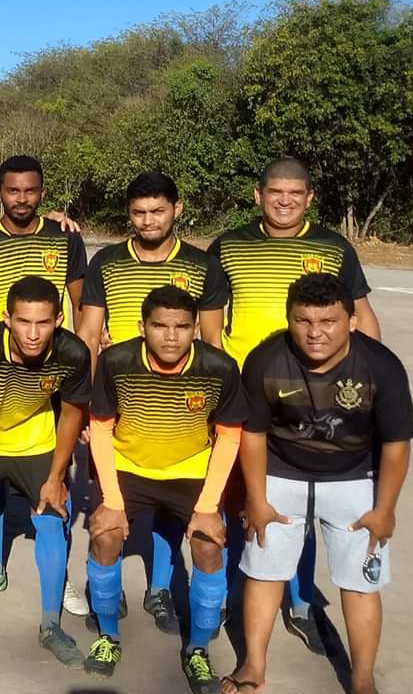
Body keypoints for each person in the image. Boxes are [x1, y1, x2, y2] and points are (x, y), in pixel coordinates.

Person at [209, 157, 381, 651]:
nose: (284, 200)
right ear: (257, 194)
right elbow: (211, 322)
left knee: (303, 503)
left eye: (295, 193)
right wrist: (221, 379)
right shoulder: (230, 246)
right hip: (248, 396)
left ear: (309, 197)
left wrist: (367, 387)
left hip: (315, 403)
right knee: (242, 500)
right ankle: (236, 595)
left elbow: (363, 320)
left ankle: (302, 605)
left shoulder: (332, 247)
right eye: (275, 192)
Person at [222, 275, 413, 694]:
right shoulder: (265, 360)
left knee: (360, 583)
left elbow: (397, 446)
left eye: (328, 321)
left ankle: (362, 679)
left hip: (353, 478)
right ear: (288, 319)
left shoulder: (382, 366)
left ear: (351, 320)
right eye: (303, 320)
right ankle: (253, 665)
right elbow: (252, 436)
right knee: (264, 573)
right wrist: (256, 498)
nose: (315, 332)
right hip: (280, 474)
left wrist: (384, 509)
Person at [77, 170, 229, 632]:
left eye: (158, 211)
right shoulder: (105, 262)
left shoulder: (204, 266)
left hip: (183, 399)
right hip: (120, 398)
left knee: (170, 507)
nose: (148, 220)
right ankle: (109, 590)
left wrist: (211, 408)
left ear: (176, 210)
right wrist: (85, 402)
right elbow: (87, 333)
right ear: (129, 215)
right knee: (111, 506)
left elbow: (212, 341)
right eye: (139, 212)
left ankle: (160, 589)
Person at [83, 286, 246, 693]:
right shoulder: (116, 361)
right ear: (142, 327)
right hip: (128, 467)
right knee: (103, 536)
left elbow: (228, 437)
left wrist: (208, 506)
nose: (170, 337)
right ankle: (108, 636)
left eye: (181, 327)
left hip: (189, 470)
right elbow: (101, 428)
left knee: (209, 545)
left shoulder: (220, 367)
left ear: (195, 329)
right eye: (160, 326)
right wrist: (113, 502)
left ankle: (197, 649)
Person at [0, 154, 87, 608]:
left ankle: (59, 575)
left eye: (31, 190)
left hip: (50, 368)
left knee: (52, 478)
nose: (22, 199)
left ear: (42, 193)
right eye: (13, 190)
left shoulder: (64, 236)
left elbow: (80, 305)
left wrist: (82, 364)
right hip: (0, 368)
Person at [0, 275, 91, 669]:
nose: (33, 333)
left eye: (43, 323)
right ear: (6, 318)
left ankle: (50, 625)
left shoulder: (72, 352)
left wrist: (56, 475)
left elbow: (71, 414)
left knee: (51, 519)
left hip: (36, 444)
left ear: (59, 319)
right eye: (24, 322)